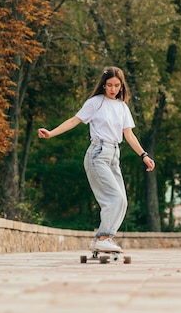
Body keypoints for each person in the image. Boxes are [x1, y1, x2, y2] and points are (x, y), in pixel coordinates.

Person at [38, 66, 155, 253]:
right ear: (103, 85)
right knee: (113, 197)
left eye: (117, 85)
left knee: (122, 200)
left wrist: (144, 155)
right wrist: (51, 133)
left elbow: (129, 135)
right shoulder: (95, 103)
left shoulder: (122, 107)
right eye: (109, 85)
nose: (113, 89)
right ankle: (104, 237)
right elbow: (74, 121)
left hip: (114, 156)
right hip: (98, 154)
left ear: (121, 86)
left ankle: (101, 239)